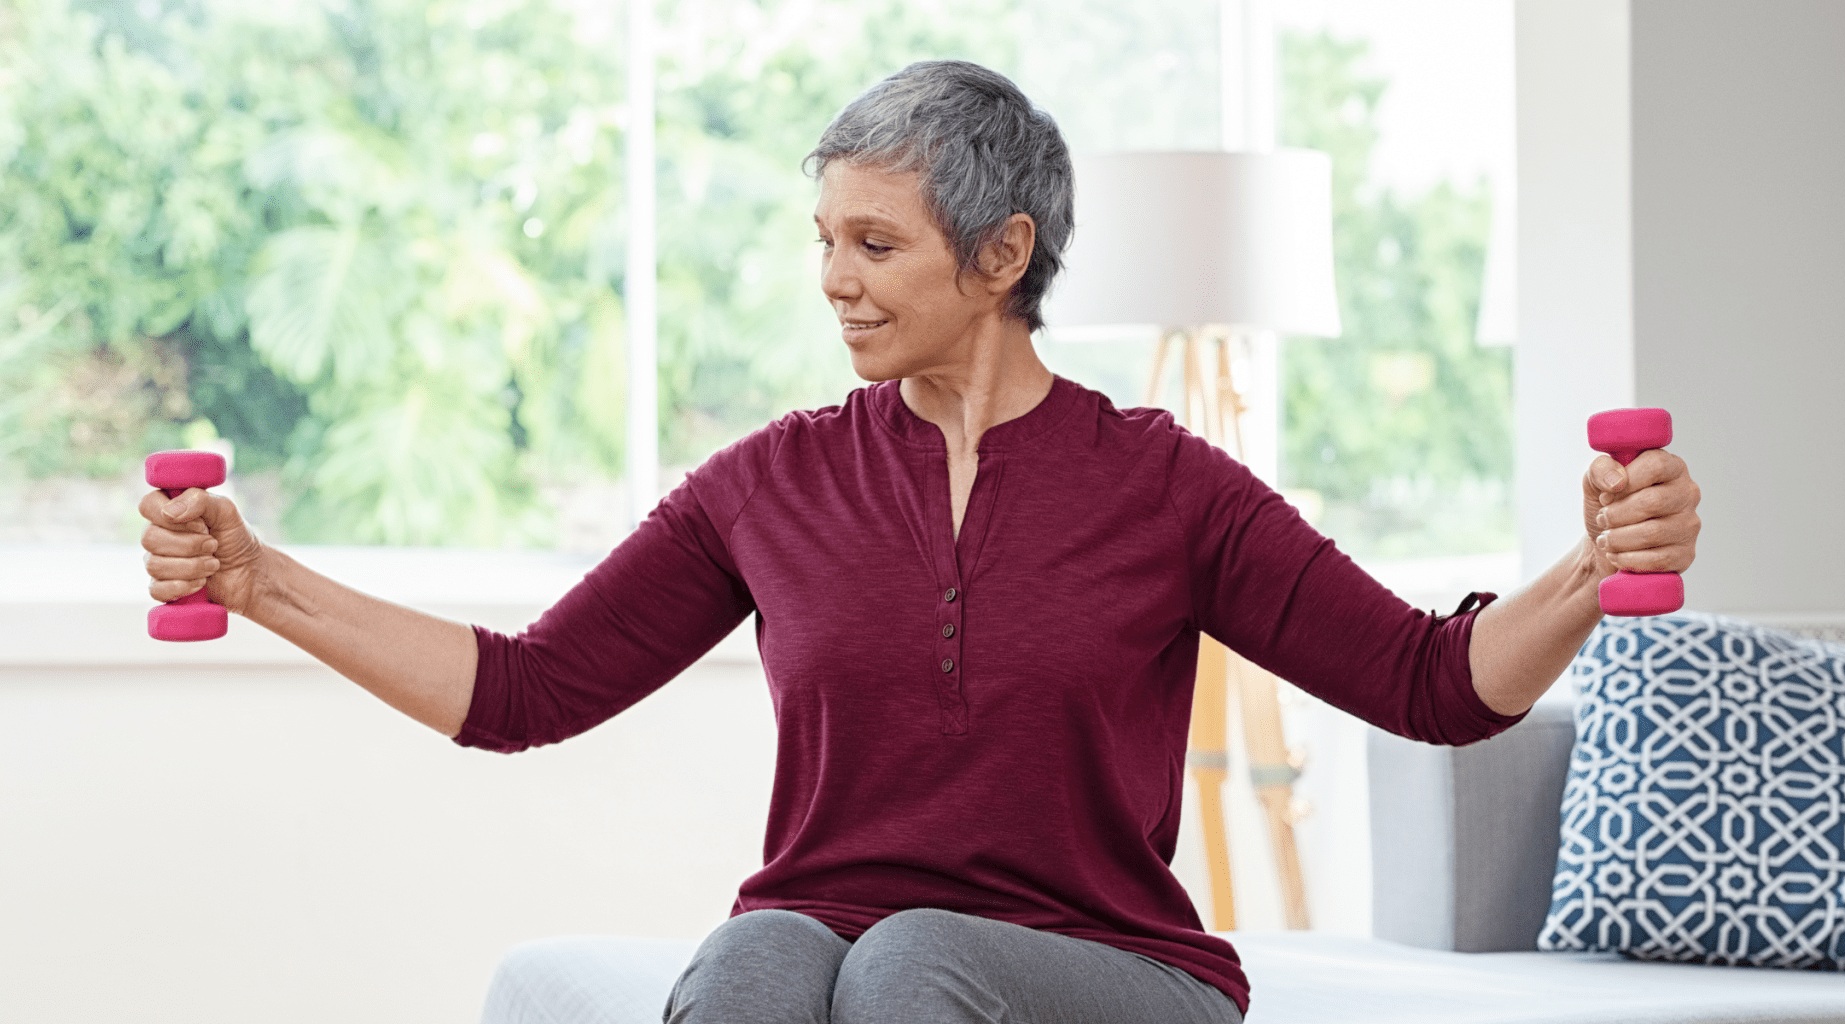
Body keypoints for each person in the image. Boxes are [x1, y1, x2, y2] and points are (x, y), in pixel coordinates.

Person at [138, 60, 1701, 1024]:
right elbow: (531, 690)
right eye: (823, 239)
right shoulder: (769, 485)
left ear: (1002, 254)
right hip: (824, 935)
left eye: (874, 244)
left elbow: (1435, 685)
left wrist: (1588, 563)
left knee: (911, 966)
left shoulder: (1166, 489)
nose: (834, 278)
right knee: (758, 970)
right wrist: (259, 578)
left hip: (1111, 970)